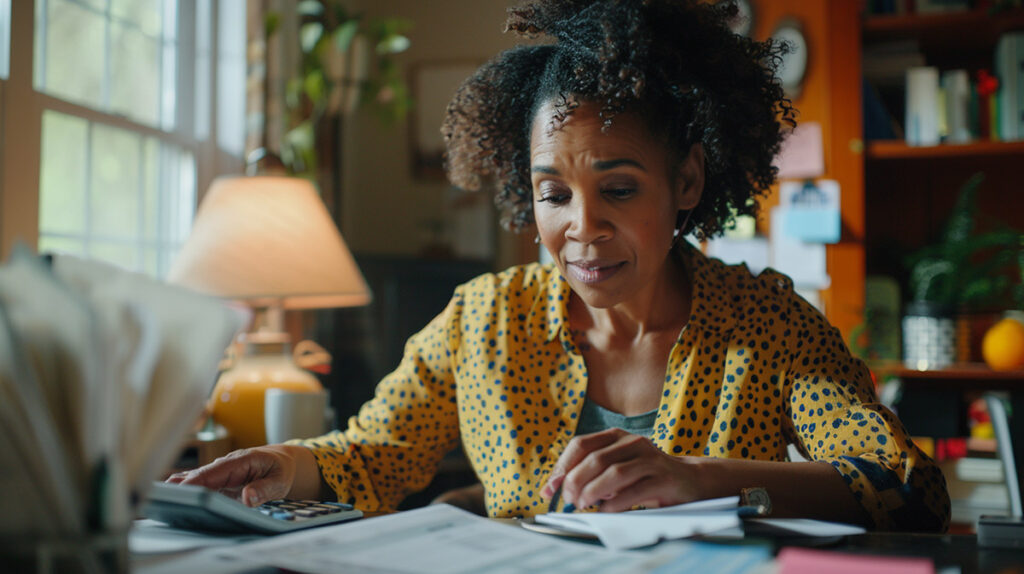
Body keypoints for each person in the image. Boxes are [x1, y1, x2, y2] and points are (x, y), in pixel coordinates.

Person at [171, 0, 950, 531]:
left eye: (617, 187)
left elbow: (910, 490)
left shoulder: (765, 324)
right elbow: (376, 452)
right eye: (554, 193)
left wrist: (700, 478)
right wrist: (279, 462)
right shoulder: (483, 319)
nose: (582, 229)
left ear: (686, 180)